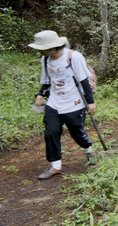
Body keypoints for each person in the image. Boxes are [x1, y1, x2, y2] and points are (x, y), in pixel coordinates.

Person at [29, 30, 96, 180]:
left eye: (42, 48)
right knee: (50, 132)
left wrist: (90, 102)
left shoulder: (73, 57)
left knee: (76, 131)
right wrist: (40, 94)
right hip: (54, 102)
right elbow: (46, 81)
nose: (40, 51)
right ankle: (55, 165)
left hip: (74, 102)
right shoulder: (45, 60)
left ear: (53, 46)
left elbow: (84, 80)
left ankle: (88, 149)